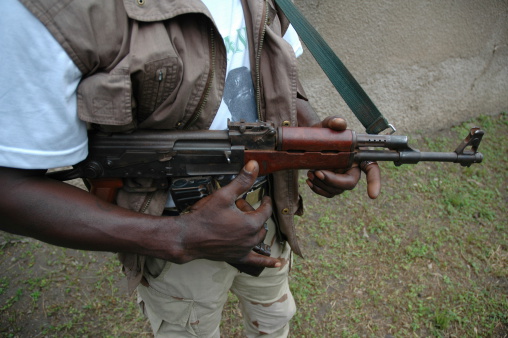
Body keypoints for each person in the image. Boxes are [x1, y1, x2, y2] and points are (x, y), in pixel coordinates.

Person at [0, 0, 381, 337]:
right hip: (170, 240)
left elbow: (279, 78)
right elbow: (9, 187)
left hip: (263, 216)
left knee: (275, 316)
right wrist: (178, 236)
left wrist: (321, 143)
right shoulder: (50, 11)